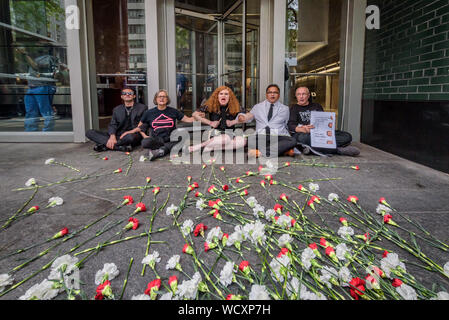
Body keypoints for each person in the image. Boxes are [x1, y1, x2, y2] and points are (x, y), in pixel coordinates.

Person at [288, 86, 360, 156]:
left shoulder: (317, 106)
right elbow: (291, 125)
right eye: (298, 94)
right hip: (304, 133)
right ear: (296, 96)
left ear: (308, 95)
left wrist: (329, 123)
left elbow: (324, 121)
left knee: (347, 136)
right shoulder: (294, 108)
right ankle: (337, 150)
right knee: (302, 139)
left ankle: (312, 148)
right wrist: (303, 129)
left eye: (304, 94)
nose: (301, 96)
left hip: (320, 132)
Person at [129, 90, 195, 161]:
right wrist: (144, 136)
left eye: (164, 96)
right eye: (159, 96)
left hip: (171, 138)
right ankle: (168, 148)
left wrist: (198, 115)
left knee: (183, 138)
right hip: (157, 139)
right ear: (156, 99)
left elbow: (189, 120)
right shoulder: (148, 113)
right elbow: (139, 127)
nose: (162, 98)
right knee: (145, 142)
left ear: (167, 99)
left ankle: (161, 151)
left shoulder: (174, 111)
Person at [237, 84, 297, 158]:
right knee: (247, 140)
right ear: (266, 94)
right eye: (269, 92)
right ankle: (282, 150)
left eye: (275, 92)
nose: (272, 94)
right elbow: (249, 116)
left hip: (278, 136)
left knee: (292, 141)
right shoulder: (258, 107)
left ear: (279, 95)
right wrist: (242, 117)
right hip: (261, 136)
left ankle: (260, 152)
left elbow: (287, 124)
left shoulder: (285, 109)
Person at [85, 87, 147, 152]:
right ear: (121, 96)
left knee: (130, 137)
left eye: (130, 93)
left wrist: (129, 132)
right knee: (89, 132)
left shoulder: (142, 108)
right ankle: (120, 147)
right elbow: (112, 124)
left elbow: (144, 125)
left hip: (132, 134)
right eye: (124, 93)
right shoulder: (117, 109)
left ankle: (105, 145)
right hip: (118, 135)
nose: (127, 94)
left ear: (134, 96)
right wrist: (112, 136)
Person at [188, 86, 246, 153]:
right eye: (221, 94)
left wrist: (234, 122)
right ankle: (196, 147)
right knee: (226, 139)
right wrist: (210, 122)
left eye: (226, 94)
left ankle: (209, 148)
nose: (223, 95)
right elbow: (194, 114)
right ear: (217, 96)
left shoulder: (236, 106)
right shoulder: (210, 105)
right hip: (215, 133)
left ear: (230, 97)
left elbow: (247, 116)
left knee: (243, 141)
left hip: (231, 133)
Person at [16, 47, 58, 131]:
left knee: (45, 111)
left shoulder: (48, 58)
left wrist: (25, 54)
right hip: (32, 87)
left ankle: (48, 132)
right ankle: (31, 131)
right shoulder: (35, 58)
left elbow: (36, 67)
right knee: (31, 111)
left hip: (42, 86)